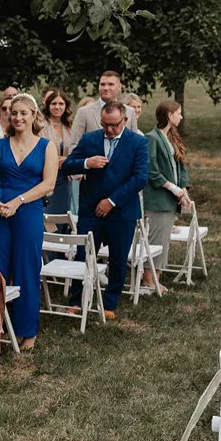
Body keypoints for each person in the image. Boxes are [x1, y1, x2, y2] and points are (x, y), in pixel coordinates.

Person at [60, 101, 149, 321]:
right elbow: (68, 164)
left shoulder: (138, 142)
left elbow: (140, 178)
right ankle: (77, 301)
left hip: (122, 211)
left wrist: (111, 201)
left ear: (125, 120)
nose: (109, 129)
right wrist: (87, 163)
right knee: (83, 255)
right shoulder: (90, 139)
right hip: (90, 210)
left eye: (114, 125)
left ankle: (109, 303)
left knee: (118, 258)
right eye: (105, 125)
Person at [0, 93, 59, 348]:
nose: (17, 117)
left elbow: (48, 184)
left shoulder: (47, 146)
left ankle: (27, 330)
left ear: (34, 115)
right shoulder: (0, 144)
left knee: (27, 267)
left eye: (23, 113)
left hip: (28, 212)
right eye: (13, 113)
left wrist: (19, 201)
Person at [143, 100, 193, 291]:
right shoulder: (151, 138)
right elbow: (152, 170)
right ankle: (149, 280)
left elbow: (181, 166)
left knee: (163, 239)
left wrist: (183, 190)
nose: (181, 116)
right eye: (178, 113)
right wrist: (174, 189)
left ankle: (156, 278)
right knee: (155, 239)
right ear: (169, 115)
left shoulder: (172, 137)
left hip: (171, 198)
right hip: (158, 197)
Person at [69, 71, 138, 140]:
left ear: (119, 87)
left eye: (111, 84)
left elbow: (135, 142)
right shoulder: (84, 112)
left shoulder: (130, 112)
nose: (105, 88)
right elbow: (75, 143)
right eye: (102, 84)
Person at [42, 88, 77, 218]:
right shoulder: (40, 125)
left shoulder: (70, 126)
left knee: (63, 216)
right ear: (48, 105)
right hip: (45, 176)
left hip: (64, 177)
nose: (57, 107)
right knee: (46, 216)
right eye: (54, 103)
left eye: (61, 104)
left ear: (66, 106)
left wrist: (67, 158)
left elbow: (77, 149)